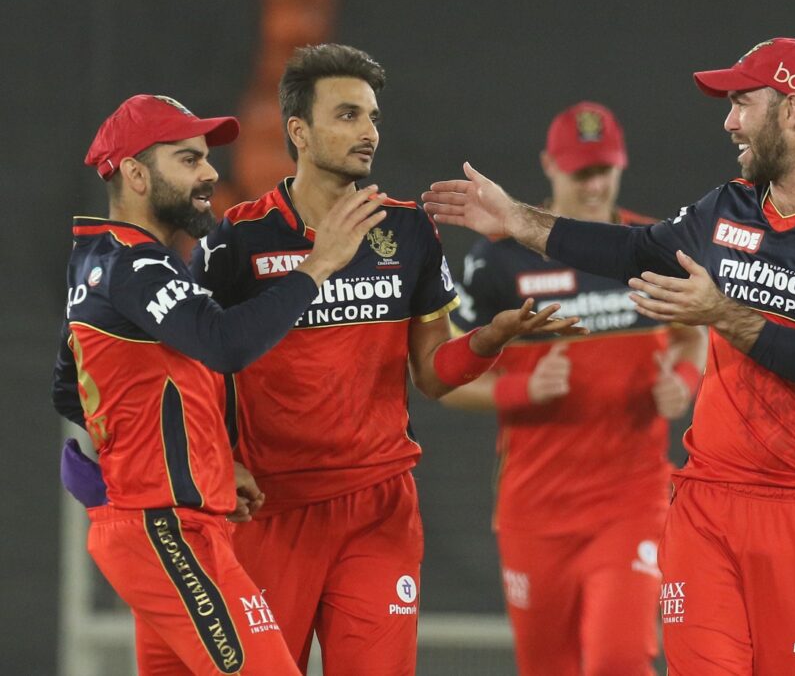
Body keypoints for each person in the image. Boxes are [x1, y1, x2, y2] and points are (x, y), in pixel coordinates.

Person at [424, 37, 795, 675]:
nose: (729, 121)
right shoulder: (729, 206)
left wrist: (718, 316)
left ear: (793, 108)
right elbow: (633, 250)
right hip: (706, 500)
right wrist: (518, 222)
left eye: (743, 103)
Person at [187, 44, 583, 676]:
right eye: (346, 115)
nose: (368, 131)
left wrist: (490, 339)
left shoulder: (408, 232)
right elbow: (196, 367)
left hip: (378, 510)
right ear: (298, 131)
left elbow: (431, 372)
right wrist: (223, 457)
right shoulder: (237, 240)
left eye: (371, 116)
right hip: (268, 510)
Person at [51, 93, 391, 675]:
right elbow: (226, 343)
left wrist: (206, 461)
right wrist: (319, 264)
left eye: (206, 157)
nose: (210, 172)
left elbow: (70, 389)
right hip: (167, 533)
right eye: (187, 159)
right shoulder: (136, 266)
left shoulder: (104, 261)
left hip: (171, 527)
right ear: (135, 173)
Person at [440, 101, 705, 676]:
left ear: (622, 164)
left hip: (631, 501)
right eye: (581, 171)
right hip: (535, 510)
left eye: (604, 169)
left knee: (617, 660)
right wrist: (522, 391)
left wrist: (682, 381)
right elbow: (444, 374)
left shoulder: (651, 248)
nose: (594, 184)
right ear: (549, 166)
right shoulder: (498, 259)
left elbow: (693, 336)